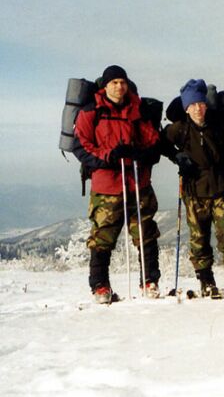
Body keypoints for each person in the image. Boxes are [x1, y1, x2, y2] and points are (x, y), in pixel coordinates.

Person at [73, 65, 162, 304]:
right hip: (107, 185)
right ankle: (100, 286)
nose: (119, 87)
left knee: (145, 233)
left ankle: (150, 281)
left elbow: (152, 138)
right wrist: (109, 156)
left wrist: (141, 153)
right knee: (103, 238)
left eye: (122, 82)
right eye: (114, 83)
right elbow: (81, 146)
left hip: (137, 182)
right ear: (105, 85)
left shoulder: (137, 109)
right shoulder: (92, 111)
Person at [162, 79, 224, 298]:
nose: (198, 109)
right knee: (198, 239)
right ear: (186, 108)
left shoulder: (219, 126)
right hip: (193, 190)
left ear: (206, 105)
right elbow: (162, 143)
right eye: (193, 105)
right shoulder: (179, 129)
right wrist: (176, 156)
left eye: (200, 104)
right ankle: (206, 280)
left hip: (219, 186)